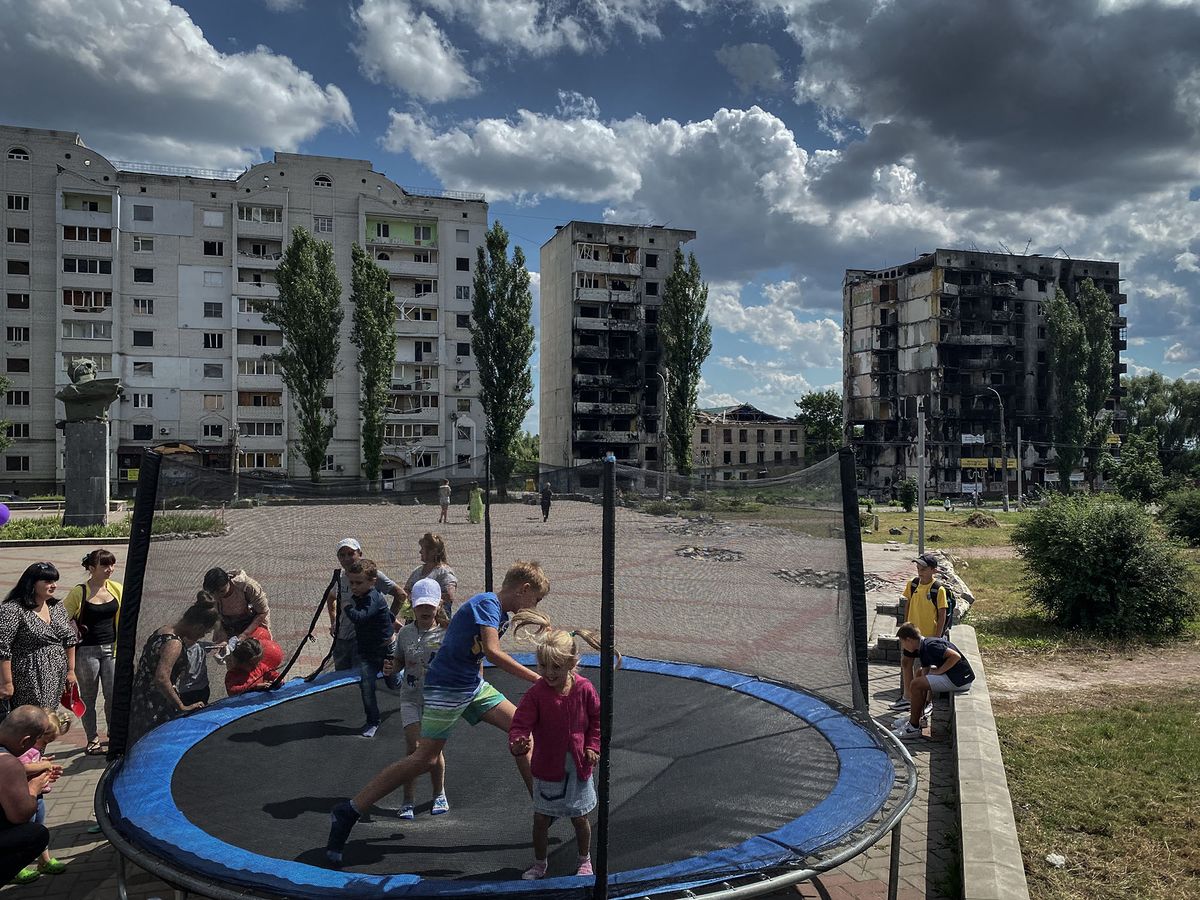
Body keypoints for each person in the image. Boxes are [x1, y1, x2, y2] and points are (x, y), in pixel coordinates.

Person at [326, 561, 550, 865]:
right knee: (424, 759)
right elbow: (493, 651)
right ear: (524, 590)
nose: (534, 605)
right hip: (446, 688)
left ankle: (542, 809)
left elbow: (474, 651)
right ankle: (349, 810)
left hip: (471, 685)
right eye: (535, 599)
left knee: (522, 730)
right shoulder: (488, 603)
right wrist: (539, 679)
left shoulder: (501, 613)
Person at [508, 619, 603, 880]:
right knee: (541, 819)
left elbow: (596, 719)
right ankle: (540, 863)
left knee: (579, 817)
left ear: (572, 664)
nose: (549, 673)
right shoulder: (537, 694)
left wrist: (593, 745)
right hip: (548, 765)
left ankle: (585, 860)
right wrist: (518, 742)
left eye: (556, 668)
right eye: (543, 666)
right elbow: (520, 722)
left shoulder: (584, 689)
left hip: (578, 766)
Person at [383, 578, 449, 819]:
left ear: (438, 604)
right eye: (420, 606)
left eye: (429, 606)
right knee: (414, 748)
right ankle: (408, 799)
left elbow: (459, 661)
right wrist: (393, 667)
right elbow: (399, 659)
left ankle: (438, 792)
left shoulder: (445, 633)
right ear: (412, 604)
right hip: (410, 697)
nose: (425, 610)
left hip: (436, 699)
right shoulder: (406, 634)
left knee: (432, 752)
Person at [127, 594, 220, 745]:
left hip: (141, 697)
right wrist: (181, 706)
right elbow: (162, 678)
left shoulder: (163, 630)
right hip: (155, 704)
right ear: (198, 627)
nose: (202, 636)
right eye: (204, 632)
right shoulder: (174, 644)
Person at [63, 550, 122, 754]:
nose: (110, 569)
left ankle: (115, 734)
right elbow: (62, 619)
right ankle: (92, 739)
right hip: (86, 652)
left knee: (113, 695)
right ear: (91, 568)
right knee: (88, 697)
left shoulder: (116, 589)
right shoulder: (80, 592)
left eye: (112, 565)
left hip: (112, 649)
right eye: (105, 565)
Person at [0, 563, 78, 717]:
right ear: (32, 584)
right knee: (30, 721)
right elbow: (3, 648)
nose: (54, 586)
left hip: (56, 676)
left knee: (48, 721)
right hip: (27, 678)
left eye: (55, 581)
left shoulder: (56, 607)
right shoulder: (13, 609)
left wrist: (71, 671)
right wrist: (6, 683)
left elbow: (70, 639)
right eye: (48, 582)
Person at [327, 539, 409, 673]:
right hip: (341, 638)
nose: (347, 558)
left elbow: (400, 594)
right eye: (342, 555)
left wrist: (389, 619)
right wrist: (333, 620)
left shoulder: (371, 575)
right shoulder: (341, 577)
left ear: (359, 553)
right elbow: (331, 598)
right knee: (340, 678)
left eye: (350, 553)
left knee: (360, 678)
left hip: (362, 639)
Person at [13, 711, 69, 884]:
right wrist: (44, 764)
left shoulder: (34, 749)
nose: (44, 745)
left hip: (38, 795)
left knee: (39, 827)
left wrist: (42, 763)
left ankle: (43, 860)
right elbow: (21, 767)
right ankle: (16, 867)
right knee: (23, 830)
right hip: (24, 796)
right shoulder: (23, 747)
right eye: (45, 741)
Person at [892, 622, 975, 739]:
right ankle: (916, 718)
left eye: (902, 642)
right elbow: (924, 673)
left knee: (915, 684)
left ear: (909, 640)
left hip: (960, 680)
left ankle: (913, 727)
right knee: (919, 674)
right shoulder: (922, 647)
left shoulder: (931, 645)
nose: (903, 646)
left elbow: (955, 656)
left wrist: (940, 671)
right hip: (955, 676)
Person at [0, 706, 53, 884]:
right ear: (25, 741)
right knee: (35, 834)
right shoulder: (7, 762)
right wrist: (33, 787)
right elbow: (20, 814)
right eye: (38, 740)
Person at [891, 552, 949, 714]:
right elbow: (908, 604)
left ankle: (927, 701)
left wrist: (937, 638)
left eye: (923, 568)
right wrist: (905, 625)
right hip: (912, 636)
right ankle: (907, 697)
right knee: (906, 663)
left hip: (928, 637)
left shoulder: (938, 589)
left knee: (925, 670)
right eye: (918, 567)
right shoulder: (913, 584)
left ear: (933, 570)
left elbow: (942, 613)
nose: (920, 571)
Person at [344, 559, 393, 739]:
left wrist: (347, 607)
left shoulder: (373, 597)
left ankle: (401, 677)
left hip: (385, 650)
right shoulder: (361, 596)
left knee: (393, 682)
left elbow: (360, 617)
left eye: (359, 583)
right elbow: (386, 615)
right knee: (366, 685)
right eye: (351, 583)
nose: (354, 587)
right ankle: (373, 720)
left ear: (372, 582)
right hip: (367, 652)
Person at [202, 568, 271, 645]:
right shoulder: (210, 594)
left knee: (254, 649)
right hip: (228, 624)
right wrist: (222, 633)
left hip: (252, 622)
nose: (217, 596)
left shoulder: (247, 587)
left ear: (228, 581)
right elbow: (216, 616)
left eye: (222, 591)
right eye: (213, 593)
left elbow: (262, 612)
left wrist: (245, 634)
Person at [403, 533, 459, 622]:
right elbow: (406, 589)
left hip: (436, 620)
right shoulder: (418, 570)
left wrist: (427, 600)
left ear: (433, 551)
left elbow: (449, 596)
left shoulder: (444, 572)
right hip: (414, 618)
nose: (420, 552)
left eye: (423, 549)